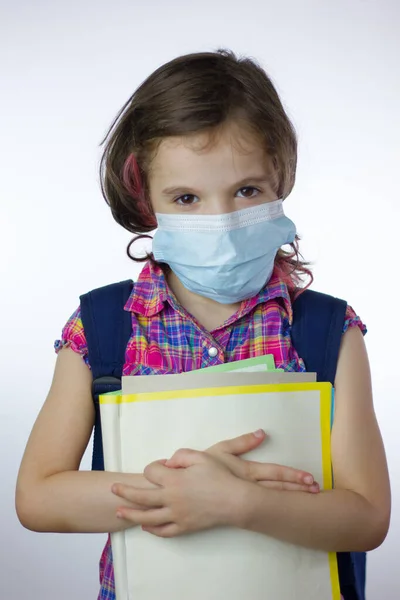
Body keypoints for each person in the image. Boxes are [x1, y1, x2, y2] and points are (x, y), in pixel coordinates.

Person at [16, 49, 390, 600]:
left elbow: (366, 518)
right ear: (147, 202)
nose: (220, 220)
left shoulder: (330, 332)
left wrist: (240, 502)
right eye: (186, 198)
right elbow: (38, 498)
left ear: (280, 179)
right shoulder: (100, 329)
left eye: (247, 190)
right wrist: (183, 493)